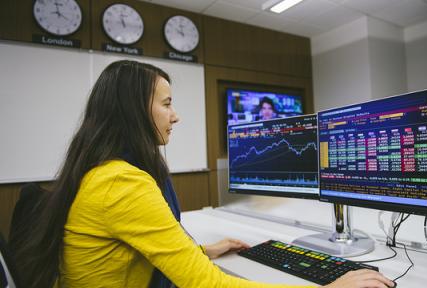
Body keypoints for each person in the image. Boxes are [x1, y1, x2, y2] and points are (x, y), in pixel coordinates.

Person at [11, 60, 394, 288]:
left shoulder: (100, 170)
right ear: (134, 112)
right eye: (166, 104)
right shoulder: (121, 182)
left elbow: (135, 249)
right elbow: (205, 283)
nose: (175, 115)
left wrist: (202, 250)